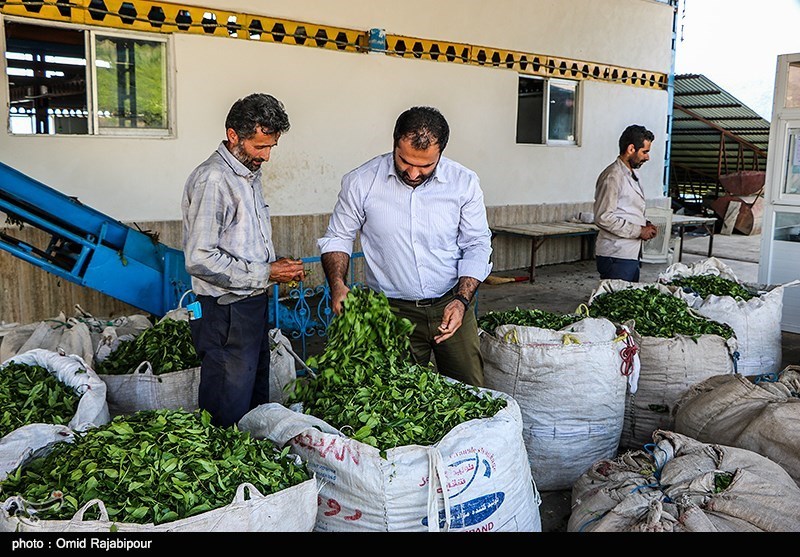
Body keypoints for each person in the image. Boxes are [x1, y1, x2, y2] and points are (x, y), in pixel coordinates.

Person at [317, 106, 493, 387]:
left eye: (425, 166)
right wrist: (337, 284)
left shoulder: (464, 183)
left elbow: (477, 243)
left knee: (469, 388)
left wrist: (461, 300)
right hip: (392, 312)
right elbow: (338, 237)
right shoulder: (361, 182)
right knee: (396, 393)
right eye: (404, 161)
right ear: (394, 143)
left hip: (452, 305)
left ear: (441, 154)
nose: (413, 173)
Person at [181, 93, 305, 427]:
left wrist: (275, 265)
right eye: (258, 147)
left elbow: (240, 241)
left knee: (252, 398)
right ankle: (221, 468)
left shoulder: (247, 175)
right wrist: (267, 272)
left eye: (270, 148)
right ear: (233, 135)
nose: (265, 157)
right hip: (226, 313)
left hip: (250, 306)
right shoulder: (214, 179)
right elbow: (200, 257)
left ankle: (249, 468)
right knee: (228, 404)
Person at [593, 124, 659, 282]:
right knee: (615, 303)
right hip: (616, 255)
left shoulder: (632, 174)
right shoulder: (612, 177)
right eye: (645, 152)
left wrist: (644, 224)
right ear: (631, 149)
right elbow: (603, 217)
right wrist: (638, 231)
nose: (647, 157)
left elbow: (626, 209)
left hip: (629, 253)